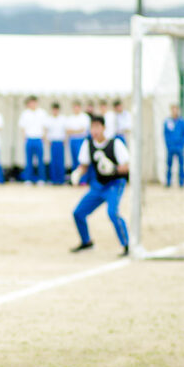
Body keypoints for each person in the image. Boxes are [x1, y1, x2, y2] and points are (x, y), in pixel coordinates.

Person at [69, 116, 130, 256]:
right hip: (98, 185)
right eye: (92, 127)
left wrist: (113, 169)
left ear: (103, 128)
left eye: (97, 127)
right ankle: (86, 242)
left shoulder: (115, 143)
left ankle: (127, 245)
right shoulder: (88, 144)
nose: (94, 131)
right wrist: (77, 173)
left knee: (112, 213)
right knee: (78, 213)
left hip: (114, 184)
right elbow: (84, 165)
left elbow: (126, 167)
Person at [18, 96, 47, 185]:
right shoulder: (25, 114)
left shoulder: (42, 113)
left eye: (34, 102)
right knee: (28, 160)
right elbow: (22, 127)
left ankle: (41, 178)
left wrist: (44, 137)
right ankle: (28, 179)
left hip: (38, 138)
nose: (32, 104)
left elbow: (45, 126)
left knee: (40, 160)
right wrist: (24, 137)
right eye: (30, 103)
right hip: (29, 138)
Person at [66, 100, 90, 181]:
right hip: (73, 139)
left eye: (77, 107)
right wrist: (76, 130)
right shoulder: (70, 118)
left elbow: (83, 129)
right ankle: (75, 179)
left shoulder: (84, 117)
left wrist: (74, 131)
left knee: (82, 160)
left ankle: (83, 179)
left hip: (81, 139)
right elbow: (67, 130)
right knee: (74, 160)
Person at [163, 104, 184, 188]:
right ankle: (168, 182)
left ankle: (181, 182)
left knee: (181, 165)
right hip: (171, 147)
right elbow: (165, 134)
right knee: (169, 165)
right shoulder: (167, 121)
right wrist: (168, 145)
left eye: (176, 109)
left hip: (179, 147)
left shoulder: (181, 121)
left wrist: (182, 144)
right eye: (173, 109)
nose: (174, 111)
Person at [46, 102, 67, 185]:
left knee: (60, 161)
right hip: (53, 142)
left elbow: (66, 131)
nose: (55, 111)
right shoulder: (49, 119)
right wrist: (47, 140)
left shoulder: (62, 119)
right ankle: (54, 179)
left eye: (56, 110)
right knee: (53, 161)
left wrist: (65, 139)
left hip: (60, 141)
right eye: (54, 110)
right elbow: (46, 130)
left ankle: (61, 179)